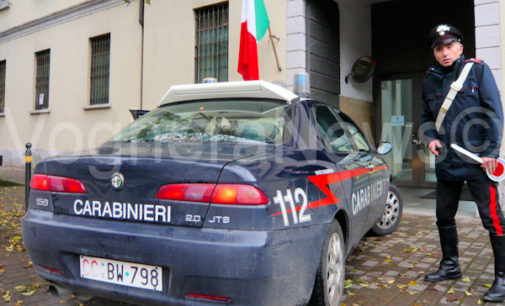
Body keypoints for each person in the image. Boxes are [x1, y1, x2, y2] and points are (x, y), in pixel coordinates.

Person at [421, 24, 505, 302]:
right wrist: (431, 137)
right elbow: (425, 117)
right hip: (447, 161)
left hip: (479, 160)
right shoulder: (429, 79)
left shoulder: (477, 70)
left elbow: (494, 111)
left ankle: (503, 278)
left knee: (492, 219)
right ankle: (450, 265)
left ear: (459, 47)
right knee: (443, 216)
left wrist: (492, 151)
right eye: (439, 48)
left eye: (449, 46)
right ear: (434, 53)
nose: (445, 53)